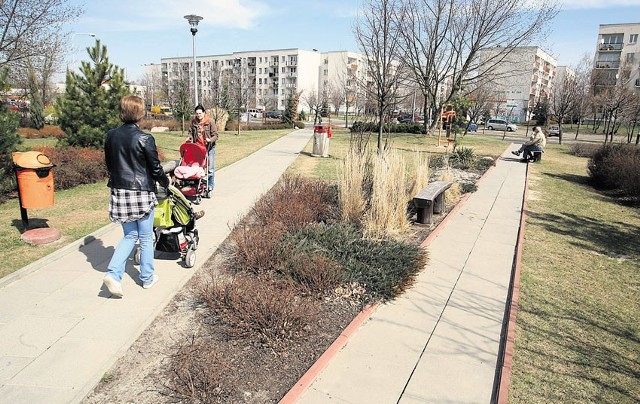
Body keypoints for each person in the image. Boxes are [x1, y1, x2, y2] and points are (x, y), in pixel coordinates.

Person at [102, 95, 171, 297]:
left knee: (130, 235)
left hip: (119, 190)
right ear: (140, 113)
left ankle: (114, 275)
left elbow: (110, 165)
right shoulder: (145, 138)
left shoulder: (110, 136)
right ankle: (147, 278)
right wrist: (166, 183)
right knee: (146, 236)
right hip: (140, 192)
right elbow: (156, 169)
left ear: (122, 111)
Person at [187, 104, 218, 198]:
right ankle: (198, 185)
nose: (198, 115)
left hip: (209, 148)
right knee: (198, 168)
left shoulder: (210, 121)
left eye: (200, 113)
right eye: (197, 113)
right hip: (198, 149)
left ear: (204, 113)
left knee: (210, 169)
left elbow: (216, 135)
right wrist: (189, 138)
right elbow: (191, 133)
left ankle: (210, 187)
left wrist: (210, 140)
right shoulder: (194, 122)